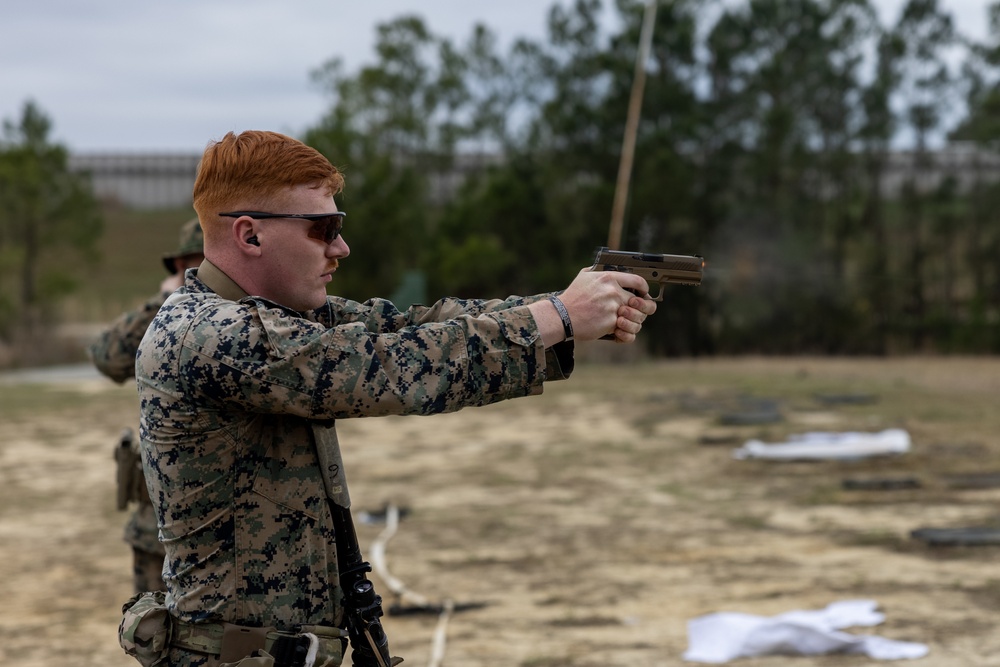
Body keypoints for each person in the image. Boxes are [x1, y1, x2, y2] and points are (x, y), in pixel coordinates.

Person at [122, 130, 656, 667]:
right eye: (323, 229)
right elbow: (388, 368)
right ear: (250, 235)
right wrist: (559, 317)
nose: (340, 247)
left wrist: (571, 308)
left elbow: (413, 326)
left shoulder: (275, 320)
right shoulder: (208, 333)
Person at [89, 216, 204, 594]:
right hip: (159, 519)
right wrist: (167, 301)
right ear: (177, 268)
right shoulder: (167, 314)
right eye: (194, 264)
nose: (205, 272)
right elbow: (107, 356)